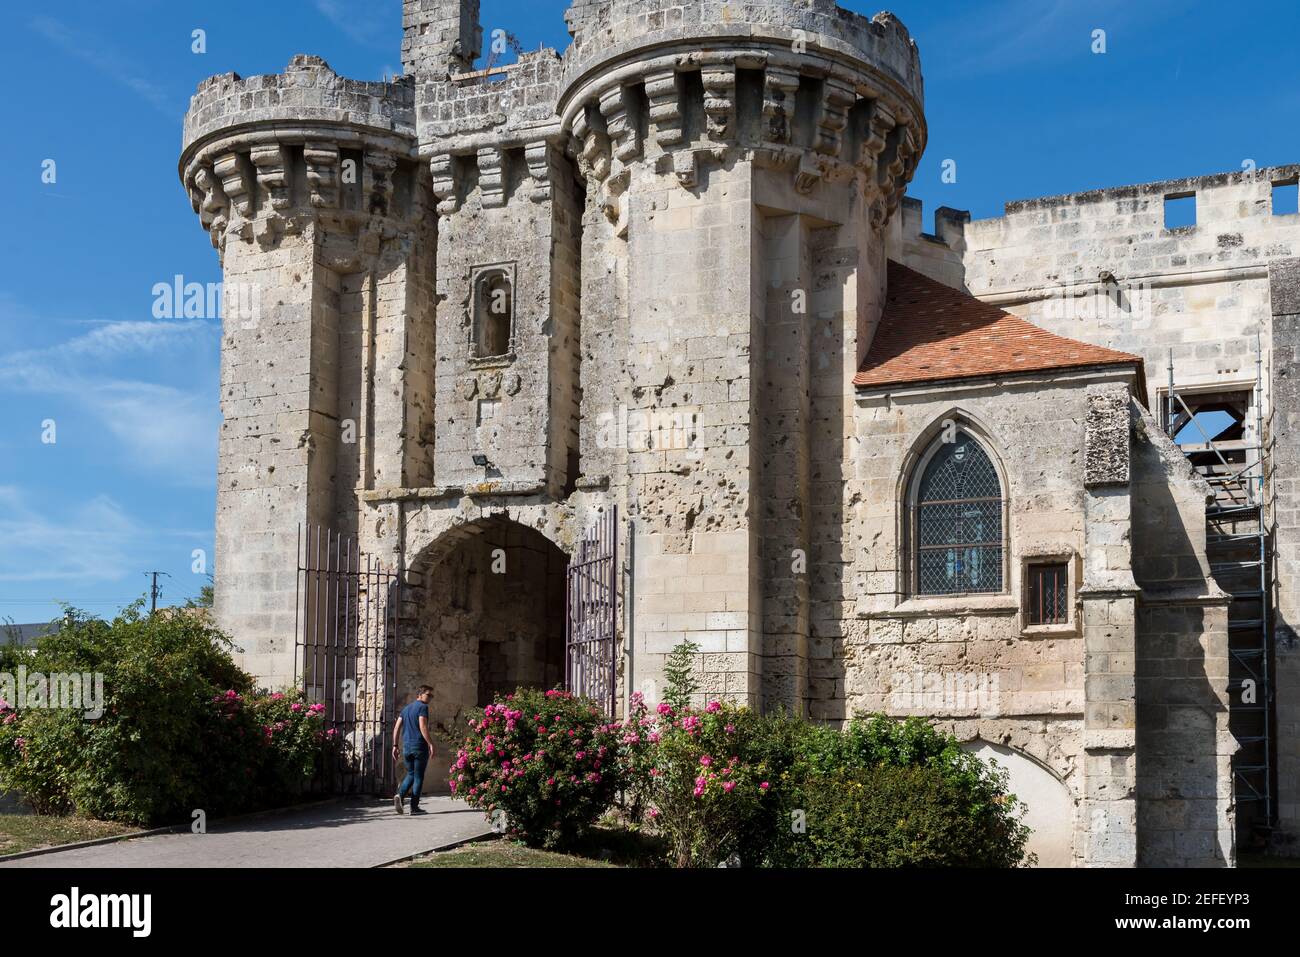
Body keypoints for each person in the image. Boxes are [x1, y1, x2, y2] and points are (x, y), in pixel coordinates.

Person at [392, 685, 436, 814]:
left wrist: (395, 745)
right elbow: (423, 726)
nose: (430, 698)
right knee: (418, 777)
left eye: (431, 696)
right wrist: (431, 744)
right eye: (429, 695)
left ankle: (399, 795)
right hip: (419, 747)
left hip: (407, 747)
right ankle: (414, 807)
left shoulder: (405, 709)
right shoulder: (423, 707)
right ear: (420, 694)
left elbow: (396, 728)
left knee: (411, 774)